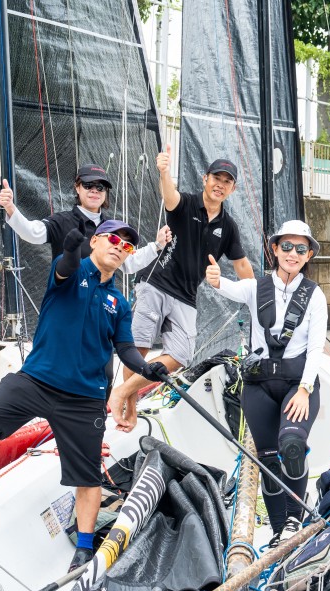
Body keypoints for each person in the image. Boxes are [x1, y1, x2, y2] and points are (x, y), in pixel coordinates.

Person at [0, 221, 166, 571]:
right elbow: (64, 268)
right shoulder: (70, 271)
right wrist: (71, 249)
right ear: (94, 241)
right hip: (37, 380)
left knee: (88, 475)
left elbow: (125, 348)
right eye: (112, 239)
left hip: (84, 398)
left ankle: (84, 547)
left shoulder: (119, 303)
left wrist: (146, 368)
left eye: (127, 246)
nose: (119, 247)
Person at [108, 145, 255, 432]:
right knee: (138, 348)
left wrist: (259, 295)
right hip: (156, 283)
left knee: (181, 356)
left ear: (233, 188)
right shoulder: (185, 204)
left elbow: (241, 265)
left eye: (227, 181)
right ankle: (131, 408)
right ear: (205, 179)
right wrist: (164, 171)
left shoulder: (229, 227)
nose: (220, 185)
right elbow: (169, 195)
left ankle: (124, 392)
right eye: (216, 178)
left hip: (186, 295)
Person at [206, 220, 327, 544]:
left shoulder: (315, 296)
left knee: (292, 446)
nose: (293, 253)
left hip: (295, 385)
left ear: (308, 255)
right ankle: (278, 533)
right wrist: (215, 280)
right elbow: (226, 288)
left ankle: (293, 520)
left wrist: (305, 389)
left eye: (301, 248)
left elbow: (316, 348)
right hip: (258, 387)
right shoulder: (254, 288)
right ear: (274, 249)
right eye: (286, 246)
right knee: (269, 459)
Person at [0, 164, 171, 269]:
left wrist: (157, 245)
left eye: (101, 187)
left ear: (106, 193)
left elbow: (130, 263)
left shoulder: (114, 229)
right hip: (68, 304)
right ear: (77, 188)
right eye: (88, 185)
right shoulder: (62, 221)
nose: (95, 190)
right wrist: (11, 207)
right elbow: (31, 233)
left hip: (99, 307)